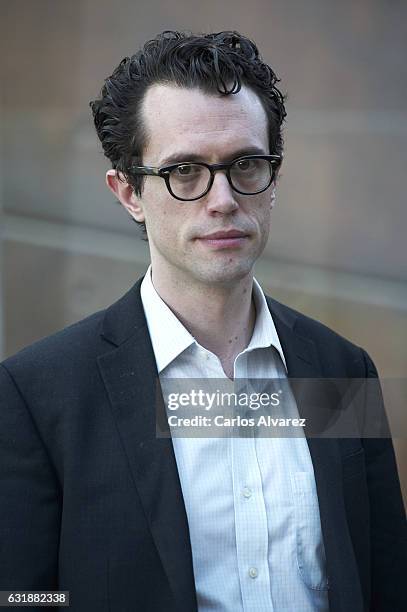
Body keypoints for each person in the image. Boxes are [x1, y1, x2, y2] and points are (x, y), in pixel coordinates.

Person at [0, 30, 405, 612]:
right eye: (184, 171)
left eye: (245, 165)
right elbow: (21, 596)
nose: (222, 198)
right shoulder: (39, 393)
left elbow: (383, 577)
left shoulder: (341, 368)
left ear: (274, 178)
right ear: (129, 193)